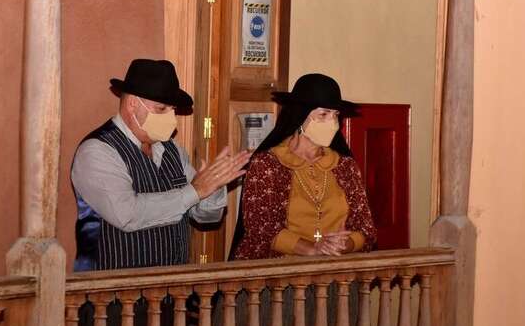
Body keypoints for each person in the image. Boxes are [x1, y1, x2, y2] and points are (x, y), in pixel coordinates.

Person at [72, 58, 250, 271]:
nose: (172, 119)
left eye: (172, 109)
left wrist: (214, 186)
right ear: (132, 103)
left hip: (172, 285)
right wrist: (195, 191)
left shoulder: (172, 150)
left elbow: (205, 217)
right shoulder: (97, 151)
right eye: (162, 108)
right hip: (115, 287)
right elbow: (127, 215)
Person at [229, 73, 376, 260]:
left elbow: (365, 228)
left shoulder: (345, 165)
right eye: (323, 114)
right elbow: (261, 227)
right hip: (281, 271)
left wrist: (345, 244)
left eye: (336, 115)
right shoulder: (267, 164)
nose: (332, 123)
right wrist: (311, 249)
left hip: (337, 270)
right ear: (300, 117)